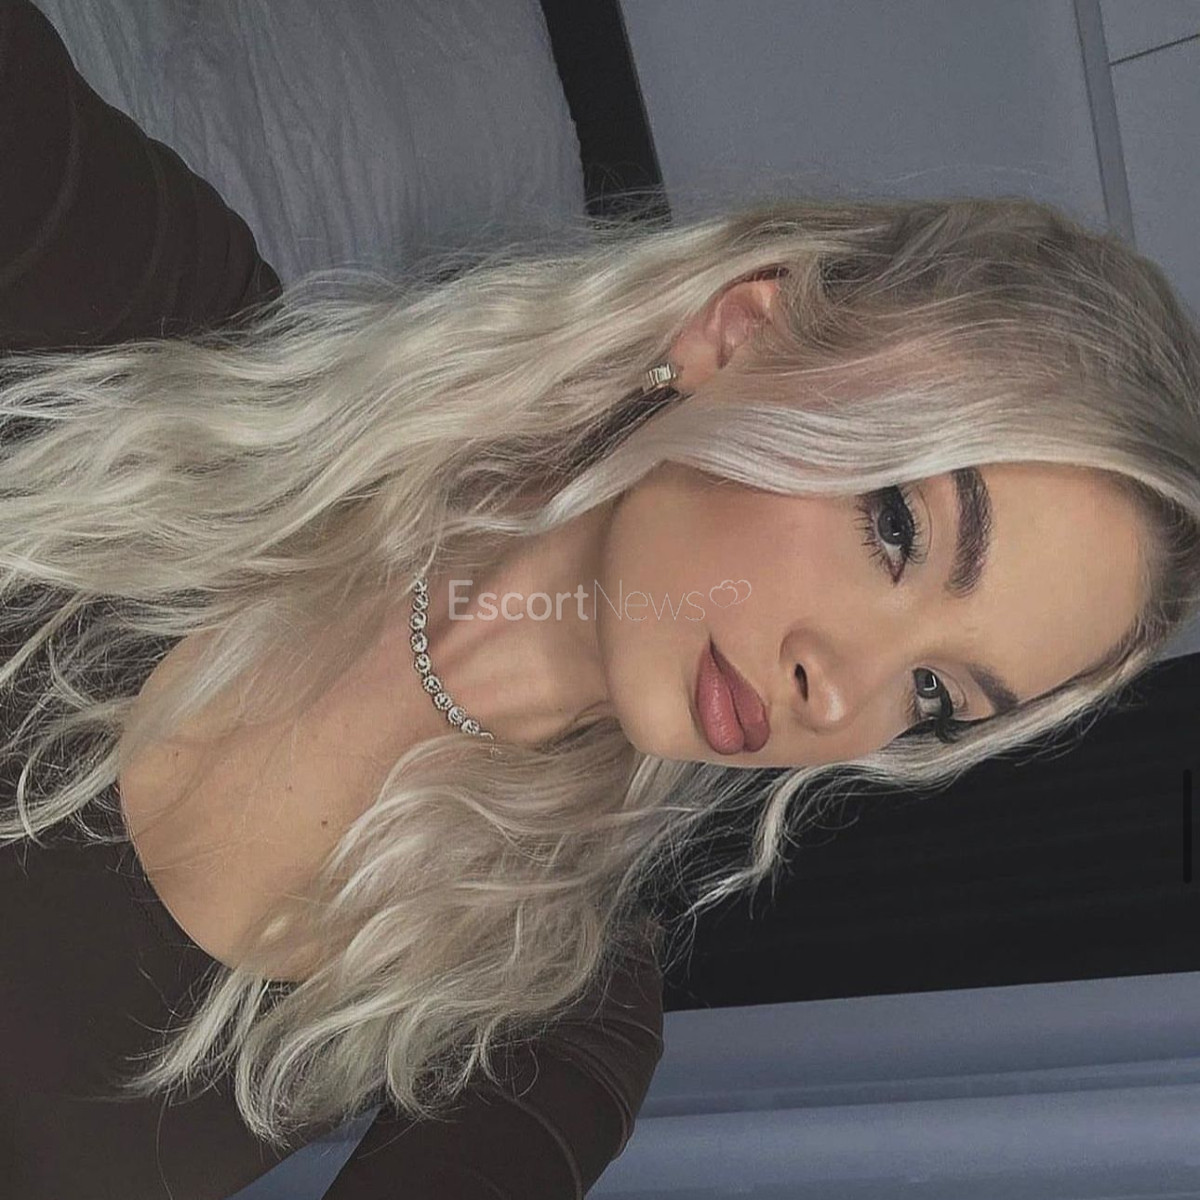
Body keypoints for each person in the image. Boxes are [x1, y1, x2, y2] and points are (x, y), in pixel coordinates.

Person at [2, 1, 1199, 1198]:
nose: (841, 697)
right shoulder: (165, 342)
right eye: (899, 527)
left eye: (934, 694)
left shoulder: (551, 1012)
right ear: (740, 333)